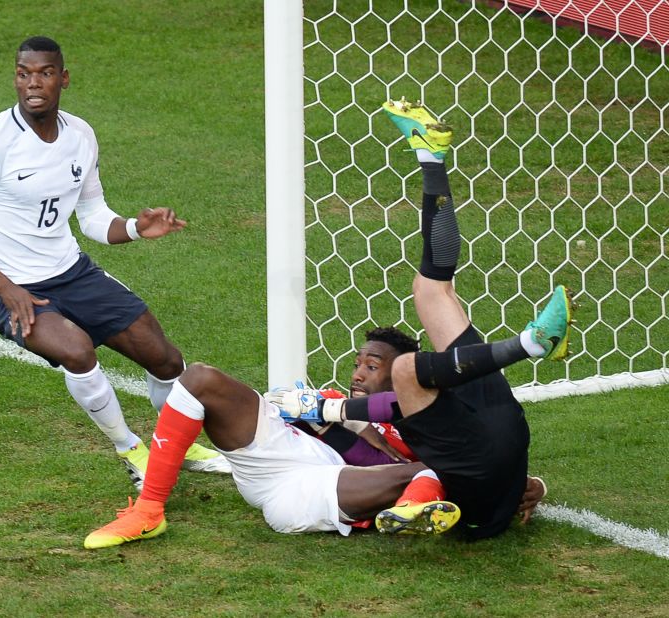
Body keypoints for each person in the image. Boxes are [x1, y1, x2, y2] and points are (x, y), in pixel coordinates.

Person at [82, 97, 561, 548]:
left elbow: (395, 411)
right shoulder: (347, 404)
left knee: (421, 473)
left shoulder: (419, 420)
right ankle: (149, 509)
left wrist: (528, 483)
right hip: (297, 457)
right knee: (202, 378)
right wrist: (313, 409)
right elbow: (434, 289)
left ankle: (422, 497)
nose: (359, 373)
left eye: (374, 367)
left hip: (322, 487)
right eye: (362, 363)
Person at [0, 36, 229, 489]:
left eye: (45, 73)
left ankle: (181, 442)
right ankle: (131, 449)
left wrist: (134, 227)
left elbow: (92, 215)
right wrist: (5, 288)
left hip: (71, 270)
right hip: (8, 287)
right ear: (15, 78)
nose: (33, 83)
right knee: (77, 350)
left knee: (165, 358)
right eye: (23, 73)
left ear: (63, 79)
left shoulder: (80, 136)